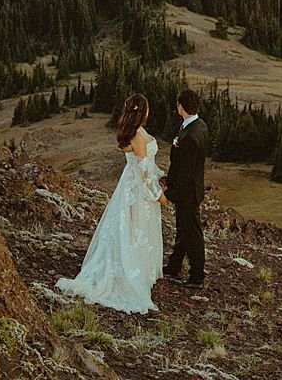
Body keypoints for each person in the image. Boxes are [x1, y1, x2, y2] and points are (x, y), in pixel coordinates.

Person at [55, 93, 165, 313]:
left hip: (131, 184)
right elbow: (143, 171)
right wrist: (158, 194)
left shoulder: (134, 133)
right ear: (143, 111)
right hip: (138, 188)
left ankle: (135, 267)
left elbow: (143, 166)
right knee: (135, 228)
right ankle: (130, 271)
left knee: (130, 228)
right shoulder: (138, 136)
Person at [161, 88, 208, 287]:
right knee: (183, 230)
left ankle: (197, 276)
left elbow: (186, 171)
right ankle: (174, 265)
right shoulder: (199, 125)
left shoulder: (189, 135)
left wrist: (169, 193)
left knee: (192, 233)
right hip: (192, 188)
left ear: (181, 106)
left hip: (187, 192)